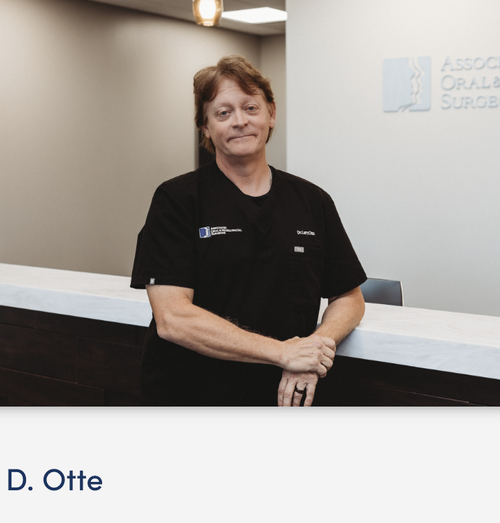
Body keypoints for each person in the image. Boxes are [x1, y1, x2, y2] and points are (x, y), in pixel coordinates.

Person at [128, 56, 368, 406]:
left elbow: (349, 297)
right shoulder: (177, 200)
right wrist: (282, 353)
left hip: (283, 399)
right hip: (191, 398)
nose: (239, 121)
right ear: (206, 128)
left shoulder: (312, 201)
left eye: (250, 107)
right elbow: (173, 318)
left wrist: (313, 350)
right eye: (223, 113)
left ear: (271, 114)